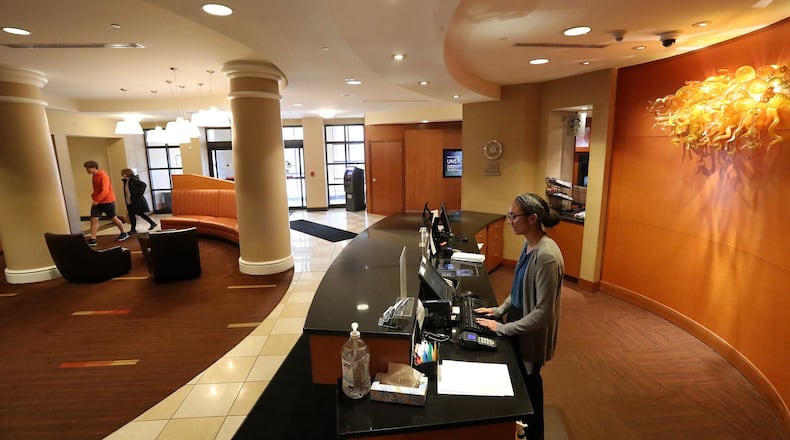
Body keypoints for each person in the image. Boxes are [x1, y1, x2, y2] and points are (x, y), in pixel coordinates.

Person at [474, 193, 564, 440]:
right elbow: (518, 289)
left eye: (514, 216)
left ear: (533, 219)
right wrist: (500, 310)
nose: (510, 220)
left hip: (530, 336)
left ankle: (534, 435)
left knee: (530, 387)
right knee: (520, 385)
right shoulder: (528, 244)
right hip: (517, 322)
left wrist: (501, 328)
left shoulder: (546, 256)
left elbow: (543, 314)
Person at [84, 160, 128, 246]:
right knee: (94, 219)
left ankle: (123, 233)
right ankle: (93, 239)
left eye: (87, 168)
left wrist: (97, 200)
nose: (86, 170)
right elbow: (96, 189)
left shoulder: (104, 176)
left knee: (113, 218)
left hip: (108, 201)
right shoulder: (94, 176)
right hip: (98, 202)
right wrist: (94, 197)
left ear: (93, 168)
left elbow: (105, 190)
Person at [121, 168, 157, 234]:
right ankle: (134, 229)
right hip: (130, 201)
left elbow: (143, 185)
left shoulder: (133, 180)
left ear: (127, 173)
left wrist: (140, 193)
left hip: (135, 201)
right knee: (133, 215)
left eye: (124, 173)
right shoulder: (126, 181)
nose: (123, 175)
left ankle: (135, 229)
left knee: (138, 213)